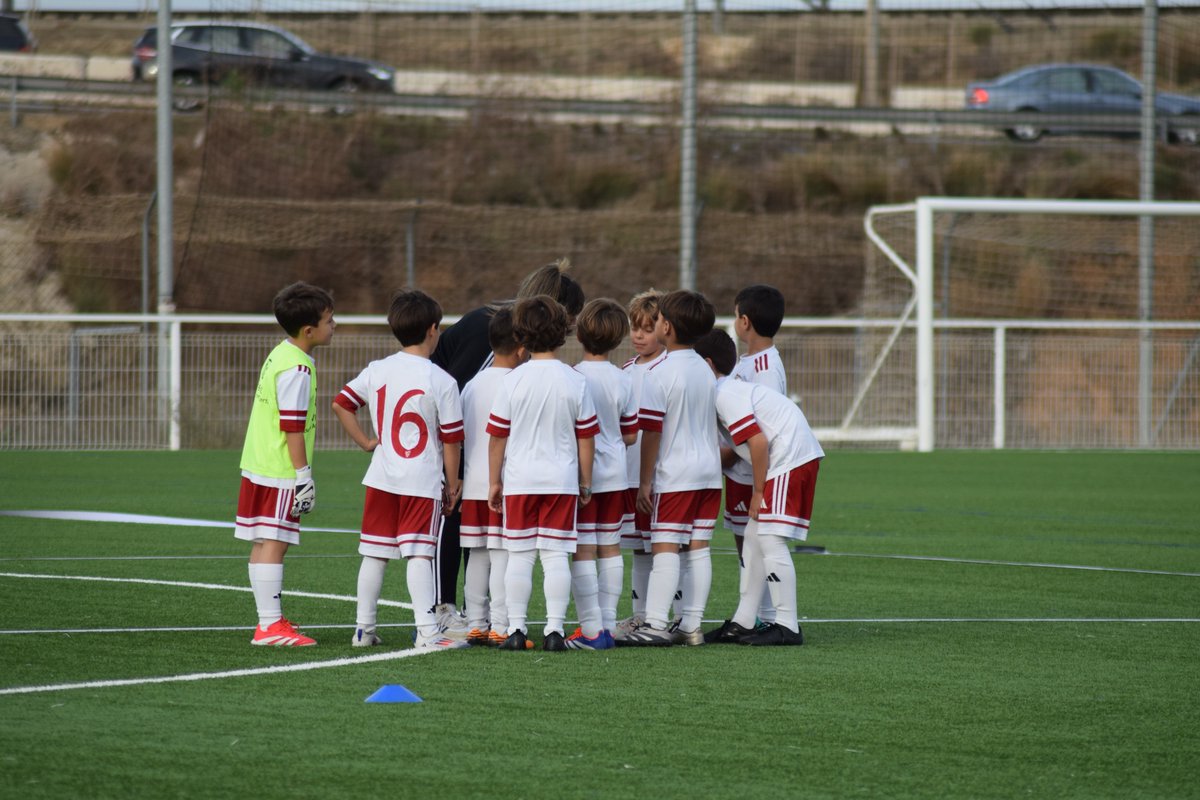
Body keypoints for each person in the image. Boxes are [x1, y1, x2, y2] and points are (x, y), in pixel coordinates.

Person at [430, 259, 586, 632]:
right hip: (458, 441)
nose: (571, 329)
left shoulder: (515, 334)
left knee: (485, 540)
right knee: (454, 517)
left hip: (485, 452)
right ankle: (443, 607)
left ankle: (479, 615)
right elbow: (463, 394)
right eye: (570, 318)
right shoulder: (496, 333)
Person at [332, 289, 469, 651]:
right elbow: (452, 440)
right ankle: (427, 631)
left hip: (381, 477)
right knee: (420, 553)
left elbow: (342, 403)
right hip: (421, 480)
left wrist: (365, 441)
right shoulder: (441, 380)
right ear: (433, 330)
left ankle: (363, 630)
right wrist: (453, 485)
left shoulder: (378, 369)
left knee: (374, 554)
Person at [694, 329, 823, 646]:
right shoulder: (722, 391)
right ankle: (743, 620)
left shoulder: (724, 393)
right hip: (788, 455)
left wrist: (757, 492)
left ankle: (788, 624)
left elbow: (758, 441)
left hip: (789, 457)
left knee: (767, 536)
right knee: (753, 535)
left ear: (707, 365)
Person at [486, 295, 598, 652]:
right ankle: (554, 631)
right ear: (564, 331)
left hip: (520, 481)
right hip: (561, 482)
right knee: (555, 556)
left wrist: (494, 481)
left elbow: (497, 438)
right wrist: (585, 480)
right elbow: (586, 439)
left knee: (519, 556)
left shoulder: (512, 382)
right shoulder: (575, 381)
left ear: (521, 335)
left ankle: (516, 630)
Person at [234, 282, 335, 647]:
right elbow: (292, 425)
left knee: (265, 541)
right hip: (278, 470)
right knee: (275, 542)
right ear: (309, 330)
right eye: (329, 319)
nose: (333, 324)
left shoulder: (281, 354)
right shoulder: (298, 369)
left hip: (259, 463)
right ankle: (269, 626)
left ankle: (269, 620)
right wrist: (303, 476)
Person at [623, 290, 722, 647]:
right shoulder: (704, 369)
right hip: (709, 474)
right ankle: (690, 626)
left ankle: (654, 623)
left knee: (664, 547)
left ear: (666, 325)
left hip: (675, 475)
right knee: (698, 548)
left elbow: (651, 432)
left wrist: (645, 482)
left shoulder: (660, 372)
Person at [714, 283, 789, 636]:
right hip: (740, 467)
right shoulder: (747, 362)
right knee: (744, 541)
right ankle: (750, 614)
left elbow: (764, 427)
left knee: (757, 541)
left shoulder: (765, 367)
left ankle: (768, 615)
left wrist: (726, 456)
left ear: (744, 322)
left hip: (751, 469)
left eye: (734, 314)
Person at [566, 299, 638, 651]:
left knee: (582, 549)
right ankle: (607, 625)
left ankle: (590, 629)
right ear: (620, 337)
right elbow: (631, 435)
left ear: (579, 334)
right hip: (616, 476)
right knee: (610, 548)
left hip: (581, 476)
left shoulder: (573, 376)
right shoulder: (624, 379)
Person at [459, 308, 527, 646]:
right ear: (520, 346)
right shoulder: (516, 383)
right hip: (502, 484)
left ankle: (475, 623)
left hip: (473, 484)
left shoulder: (472, 384)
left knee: (478, 555)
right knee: (502, 555)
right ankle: (501, 625)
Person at [612, 289, 667, 643]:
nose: (639, 335)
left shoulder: (669, 369)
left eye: (647, 328)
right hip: (628, 474)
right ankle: (639, 615)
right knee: (638, 548)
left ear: (664, 328)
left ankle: (670, 616)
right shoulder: (624, 371)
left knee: (663, 547)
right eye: (635, 328)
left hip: (659, 477)